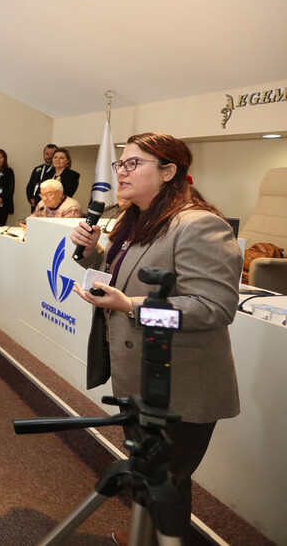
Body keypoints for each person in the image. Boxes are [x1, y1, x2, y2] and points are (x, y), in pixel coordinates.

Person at [69, 132, 242, 545]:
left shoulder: (199, 225)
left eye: (133, 164)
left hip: (183, 388)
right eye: (120, 164)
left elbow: (215, 308)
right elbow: (118, 280)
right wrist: (92, 253)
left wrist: (132, 307)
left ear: (168, 172)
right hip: (143, 376)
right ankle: (143, 535)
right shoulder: (135, 220)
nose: (122, 172)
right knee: (149, 473)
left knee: (168, 481)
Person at [26, 143, 58, 212]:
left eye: (52, 154)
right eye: (47, 154)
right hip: (35, 205)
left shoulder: (57, 170)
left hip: (49, 206)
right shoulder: (37, 169)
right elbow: (30, 186)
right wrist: (31, 199)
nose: (49, 156)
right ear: (43, 154)